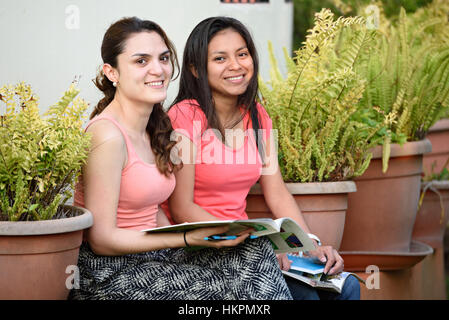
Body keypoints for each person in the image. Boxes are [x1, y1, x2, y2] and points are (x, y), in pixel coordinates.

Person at [68, 16, 292, 300]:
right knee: (225, 288)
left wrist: (203, 241)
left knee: (254, 251)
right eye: (141, 61)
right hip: (109, 271)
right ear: (112, 73)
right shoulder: (107, 135)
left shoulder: (154, 128)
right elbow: (101, 240)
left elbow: (152, 211)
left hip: (155, 255)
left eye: (163, 58)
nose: (158, 69)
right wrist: (186, 238)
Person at [164, 16, 360, 300]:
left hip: (246, 244)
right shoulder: (184, 116)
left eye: (242, 54)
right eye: (220, 58)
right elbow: (182, 208)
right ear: (196, 69)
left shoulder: (257, 115)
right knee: (305, 297)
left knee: (345, 286)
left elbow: (277, 192)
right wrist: (253, 246)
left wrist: (310, 244)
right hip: (201, 248)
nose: (235, 65)